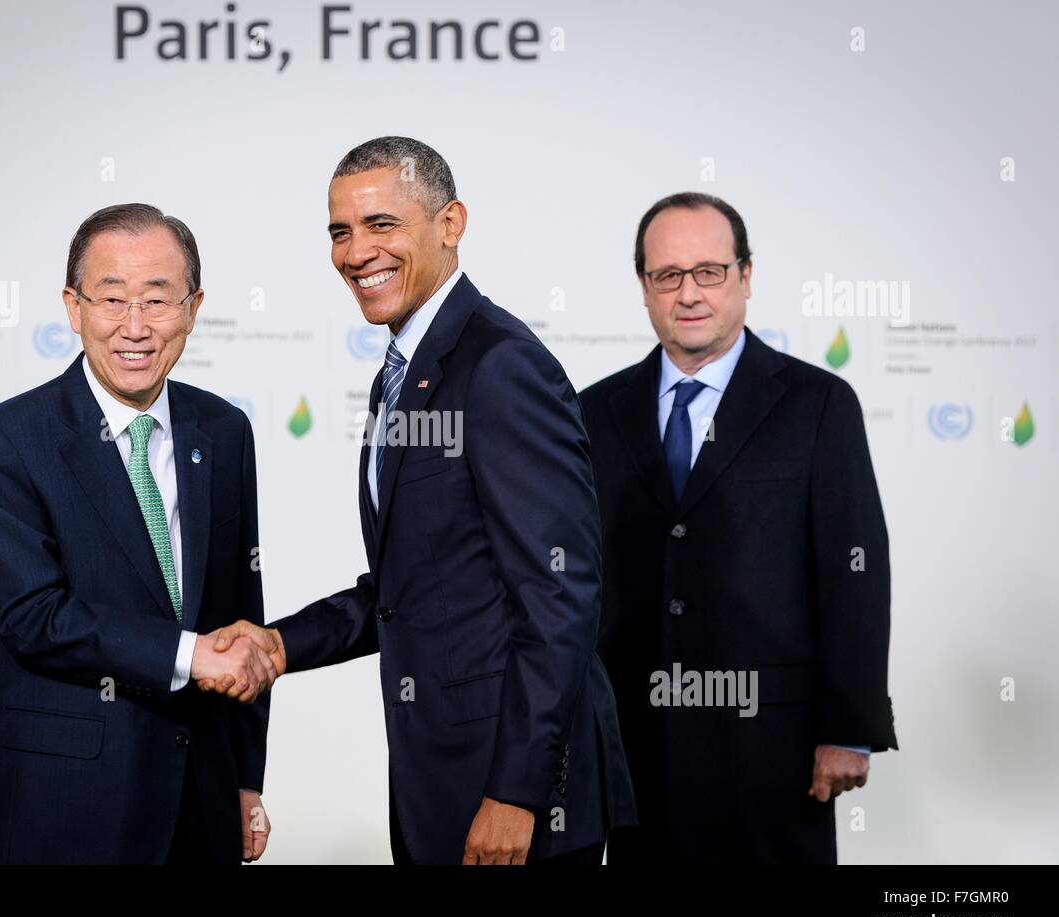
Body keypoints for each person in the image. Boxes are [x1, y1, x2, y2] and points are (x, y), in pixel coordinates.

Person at [209, 137, 635, 864]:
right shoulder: (403, 373)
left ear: (450, 223)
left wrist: (517, 793)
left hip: (515, 797)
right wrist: (281, 644)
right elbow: (412, 587)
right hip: (439, 778)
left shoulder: (500, 365)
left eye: (382, 225)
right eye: (340, 232)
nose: (356, 252)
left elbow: (560, 597)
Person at [578, 192, 897, 864]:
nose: (688, 292)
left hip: (773, 753)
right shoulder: (594, 411)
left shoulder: (818, 404)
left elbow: (854, 571)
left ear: (746, 276)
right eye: (668, 275)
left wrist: (850, 726)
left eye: (710, 271)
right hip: (635, 755)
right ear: (643, 286)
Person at [0, 203, 276, 864]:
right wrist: (189, 654)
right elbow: (34, 617)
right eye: (111, 299)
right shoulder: (6, 444)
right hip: (66, 804)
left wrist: (245, 777)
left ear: (193, 307)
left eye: (158, 299)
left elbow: (242, 613)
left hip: (201, 797)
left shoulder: (222, 431)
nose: (135, 326)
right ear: (73, 307)